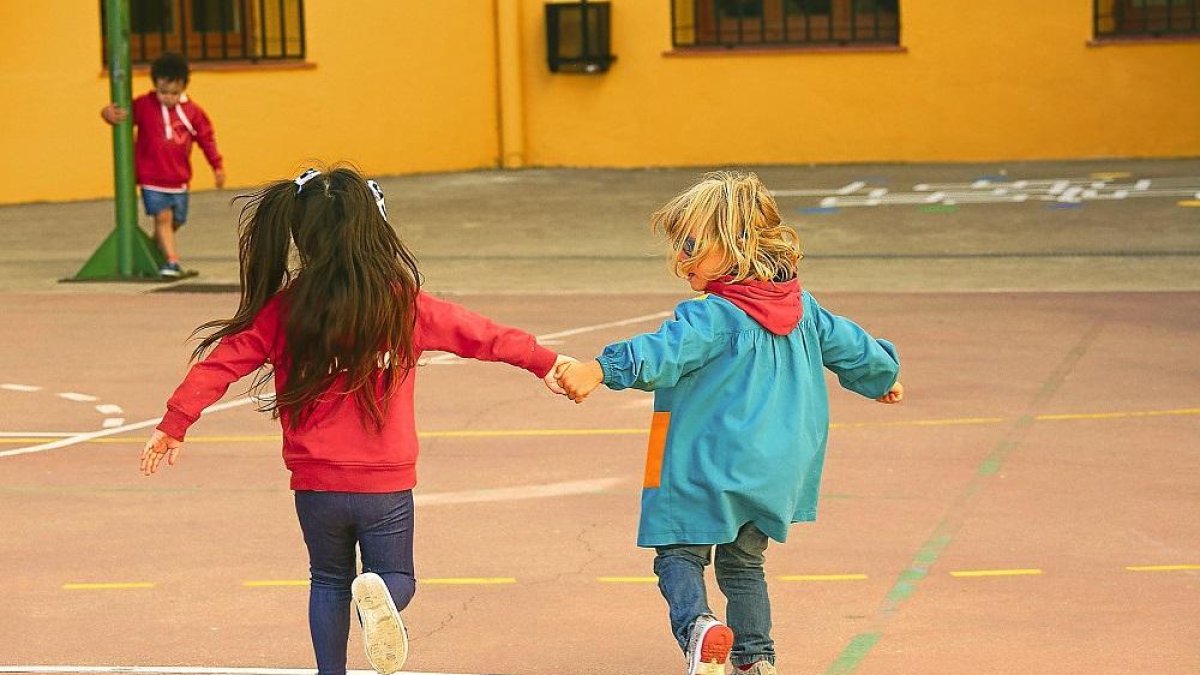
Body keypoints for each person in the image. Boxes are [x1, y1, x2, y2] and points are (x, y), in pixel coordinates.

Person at [139, 166, 574, 675]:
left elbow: (221, 363)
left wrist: (175, 423)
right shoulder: (402, 306)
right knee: (395, 577)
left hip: (316, 484)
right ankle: (383, 597)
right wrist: (546, 361)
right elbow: (481, 334)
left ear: (301, 235)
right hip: (384, 483)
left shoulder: (284, 312)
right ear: (372, 230)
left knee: (326, 580)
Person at [556, 171, 904, 675]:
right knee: (744, 564)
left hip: (706, 463)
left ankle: (699, 628)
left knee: (677, 552)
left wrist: (598, 370)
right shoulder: (804, 309)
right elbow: (855, 348)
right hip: (775, 471)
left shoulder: (714, 317)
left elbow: (660, 352)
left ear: (736, 245)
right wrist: (883, 378)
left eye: (693, 245)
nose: (681, 260)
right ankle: (755, 657)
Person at [100, 52, 225, 277]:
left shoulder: (193, 113)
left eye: (174, 93)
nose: (168, 97)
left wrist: (216, 166)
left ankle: (152, 251)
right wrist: (107, 113)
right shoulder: (144, 105)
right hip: (151, 178)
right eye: (163, 92)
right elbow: (120, 114)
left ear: (184, 87)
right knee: (163, 218)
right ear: (155, 86)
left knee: (177, 220)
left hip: (179, 179)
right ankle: (172, 261)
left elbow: (206, 139)